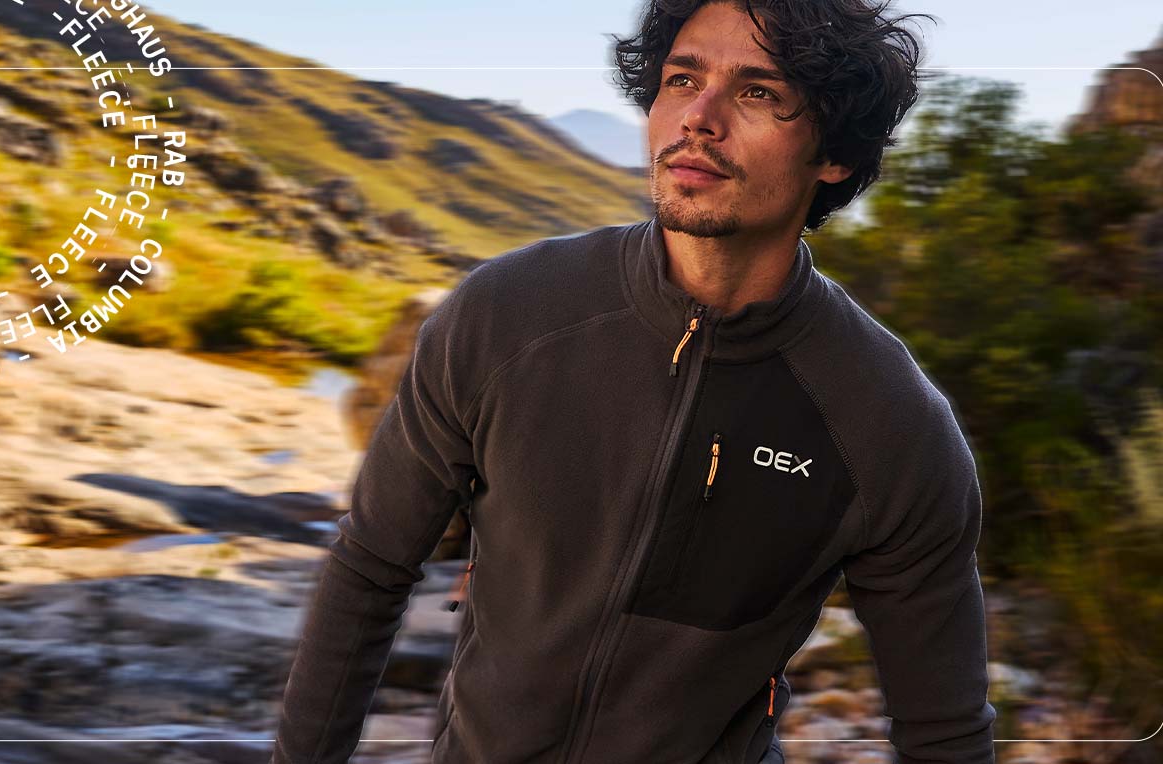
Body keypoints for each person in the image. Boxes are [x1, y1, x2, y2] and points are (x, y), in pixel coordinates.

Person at [271, 0, 998, 761]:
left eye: (758, 93)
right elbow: (371, 568)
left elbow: (943, 732)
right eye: (682, 79)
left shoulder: (889, 423)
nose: (701, 118)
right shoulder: (506, 316)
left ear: (836, 152)